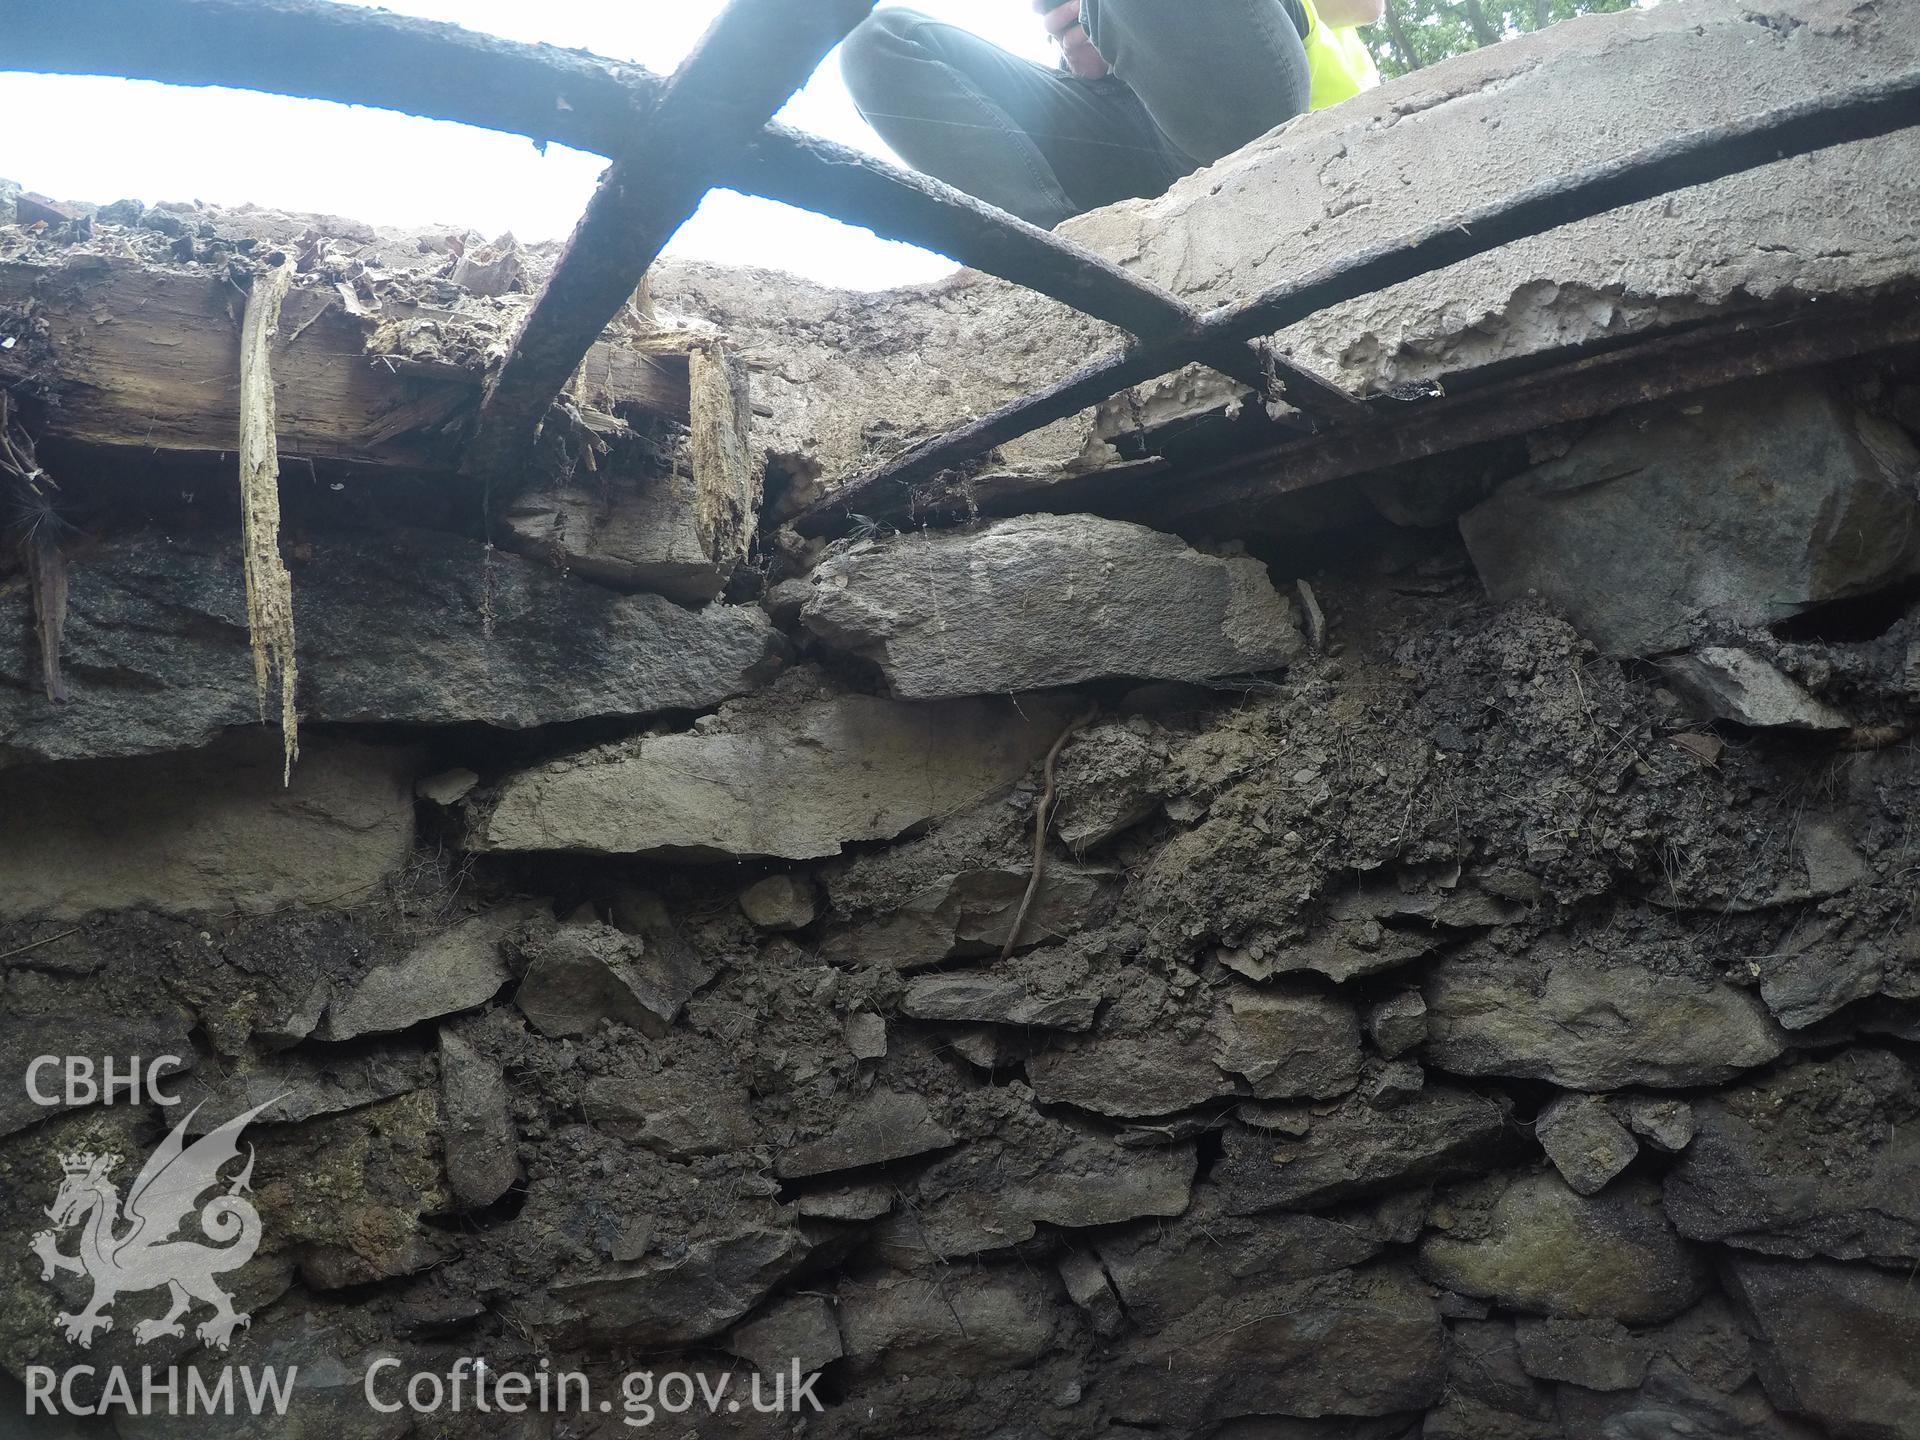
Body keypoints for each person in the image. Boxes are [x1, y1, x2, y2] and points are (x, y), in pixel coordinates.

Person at [841, 0, 1384, 229]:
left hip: (1249, 121)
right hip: (1123, 141)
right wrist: (1075, 38)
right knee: (878, 40)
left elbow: (1367, 6)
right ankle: (1062, 260)